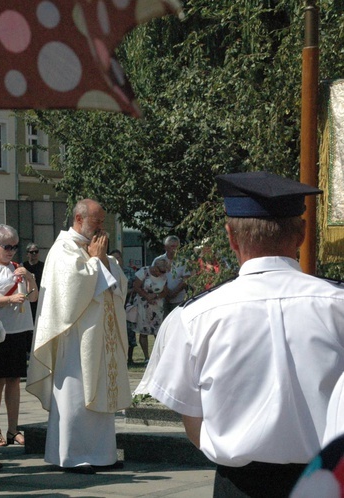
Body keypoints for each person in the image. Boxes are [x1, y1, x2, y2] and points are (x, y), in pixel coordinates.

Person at [148, 171, 344, 497]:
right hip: (326, 481)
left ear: (231, 236)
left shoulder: (195, 316)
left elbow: (192, 420)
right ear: (302, 234)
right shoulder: (337, 304)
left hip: (239, 485)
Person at [27, 199, 131, 474]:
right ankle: (72, 456)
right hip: (75, 340)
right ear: (78, 219)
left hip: (100, 337)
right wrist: (98, 262)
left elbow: (119, 284)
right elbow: (72, 291)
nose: (101, 228)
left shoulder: (96, 248)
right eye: (97, 222)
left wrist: (104, 260)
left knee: (100, 393)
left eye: (101, 222)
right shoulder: (63, 249)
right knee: (75, 395)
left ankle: (102, 454)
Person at [0, 224, 38, 448]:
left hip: (19, 329)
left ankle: (14, 428)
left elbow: (34, 298)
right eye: (7, 246)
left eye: (16, 247)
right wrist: (8, 300)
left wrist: (31, 279)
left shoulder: (18, 267)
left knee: (15, 381)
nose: (11, 251)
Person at [131, 258, 170, 363]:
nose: (160, 273)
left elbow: (166, 291)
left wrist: (156, 295)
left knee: (158, 332)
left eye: (163, 272)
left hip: (157, 306)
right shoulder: (144, 271)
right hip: (143, 305)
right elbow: (136, 286)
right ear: (155, 267)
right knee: (143, 332)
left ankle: (158, 356)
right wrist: (147, 296)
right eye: (160, 271)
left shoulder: (163, 276)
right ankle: (146, 357)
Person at [153, 235, 190, 315]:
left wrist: (174, 293)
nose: (174, 249)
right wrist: (166, 292)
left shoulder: (183, 261)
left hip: (179, 298)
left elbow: (186, 279)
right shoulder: (158, 260)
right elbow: (154, 276)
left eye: (176, 246)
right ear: (165, 247)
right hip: (161, 297)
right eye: (172, 246)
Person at [23, 242, 45, 322]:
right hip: (27, 298)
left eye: (36, 251)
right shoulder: (23, 266)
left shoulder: (43, 266)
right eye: (32, 252)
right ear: (27, 254)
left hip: (40, 297)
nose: (34, 254)